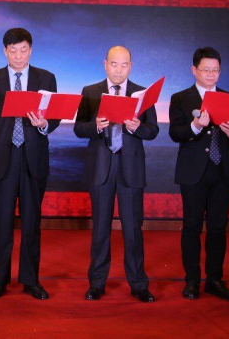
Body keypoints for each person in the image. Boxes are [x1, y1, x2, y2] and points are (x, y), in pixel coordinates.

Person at [0, 28, 60, 300]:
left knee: (32, 223)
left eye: (23, 50)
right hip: (2, 159)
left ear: (30, 50)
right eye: (13, 51)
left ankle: (31, 280)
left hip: (33, 158)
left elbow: (54, 116)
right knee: (2, 223)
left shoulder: (46, 78)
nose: (19, 56)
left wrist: (44, 123)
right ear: (5, 51)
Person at [74, 46, 159, 302]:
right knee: (100, 228)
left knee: (133, 229)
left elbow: (153, 131)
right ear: (105, 64)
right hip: (101, 168)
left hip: (131, 168)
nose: (119, 70)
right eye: (114, 64)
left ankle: (139, 284)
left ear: (131, 66)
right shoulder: (90, 92)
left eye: (124, 65)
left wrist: (137, 127)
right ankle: (97, 283)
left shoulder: (142, 94)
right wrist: (96, 126)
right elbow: (79, 128)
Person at [168, 47, 229, 302]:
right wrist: (195, 126)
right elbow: (175, 133)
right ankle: (192, 280)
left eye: (216, 70)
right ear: (194, 70)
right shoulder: (181, 98)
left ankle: (215, 280)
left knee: (218, 228)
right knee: (191, 227)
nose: (212, 75)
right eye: (206, 70)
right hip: (193, 173)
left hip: (222, 171)